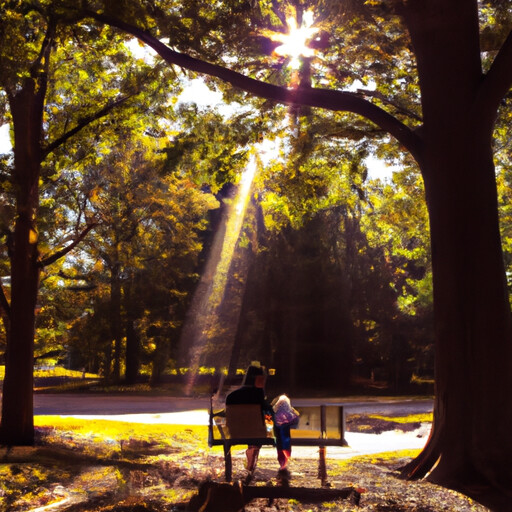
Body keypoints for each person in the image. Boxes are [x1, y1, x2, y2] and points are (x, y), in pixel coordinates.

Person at [225, 361, 272, 474]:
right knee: (257, 433)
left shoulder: (231, 397)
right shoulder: (260, 398)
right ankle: (252, 457)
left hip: (235, 434)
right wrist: (270, 430)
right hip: (257, 434)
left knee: (252, 430)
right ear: (258, 380)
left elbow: (229, 418)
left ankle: (251, 455)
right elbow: (268, 417)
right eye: (262, 379)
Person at [272, 394, 300, 478]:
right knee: (284, 440)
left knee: (281, 442)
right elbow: (296, 418)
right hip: (284, 425)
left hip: (278, 425)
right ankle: (284, 464)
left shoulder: (278, 404)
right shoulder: (285, 402)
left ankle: (283, 464)